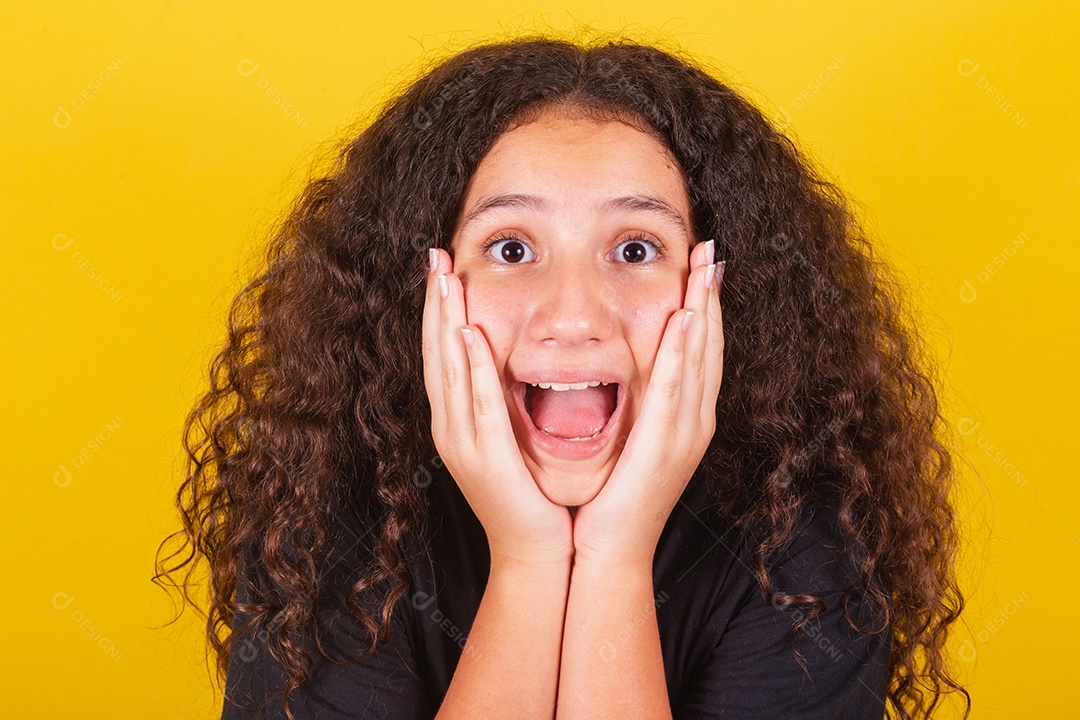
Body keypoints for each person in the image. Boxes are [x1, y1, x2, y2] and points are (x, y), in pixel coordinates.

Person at [153, 36, 971, 720]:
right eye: (511, 249)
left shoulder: (801, 549)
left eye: (635, 249)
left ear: (721, 290)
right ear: (424, 288)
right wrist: (529, 562)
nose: (574, 314)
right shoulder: (327, 521)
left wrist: (614, 558)